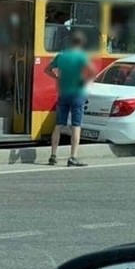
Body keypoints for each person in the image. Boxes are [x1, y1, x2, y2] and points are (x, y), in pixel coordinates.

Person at [45, 31, 94, 167]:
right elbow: (91, 73)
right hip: (78, 93)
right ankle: (72, 157)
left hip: (63, 93)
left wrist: (57, 77)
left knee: (59, 124)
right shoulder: (82, 57)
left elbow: (47, 70)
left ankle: (53, 156)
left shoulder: (61, 56)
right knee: (76, 126)